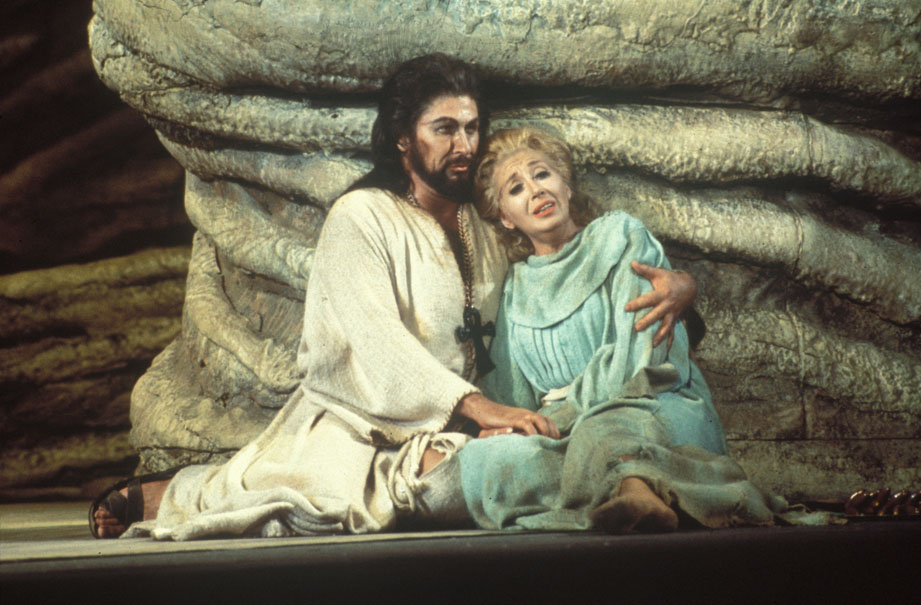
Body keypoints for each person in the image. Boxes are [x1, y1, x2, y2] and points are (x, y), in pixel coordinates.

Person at [90, 55, 697, 539]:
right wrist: (481, 409)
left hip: (471, 425)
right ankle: (173, 492)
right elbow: (374, 344)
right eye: (444, 129)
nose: (464, 144)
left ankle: (633, 488)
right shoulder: (361, 218)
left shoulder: (489, 224)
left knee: (527, 458)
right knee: (281, 497)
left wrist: (682, 290)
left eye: (472, 128)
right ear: (404, 140)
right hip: (367, 427)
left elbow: (562, 285)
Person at [457, 127, 783, 533]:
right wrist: (513, 427)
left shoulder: (619, 235)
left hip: (648, 402)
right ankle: (628, 489)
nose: (536, 190)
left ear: (566, 186)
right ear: (505, 216)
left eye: (542, 174)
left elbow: (637, 357)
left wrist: (559, 419)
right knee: (486, 458)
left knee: (605, 428)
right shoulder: (514, 289)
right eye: (516, 188)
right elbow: (512, 396)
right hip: (567, 429)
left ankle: (636, 493)